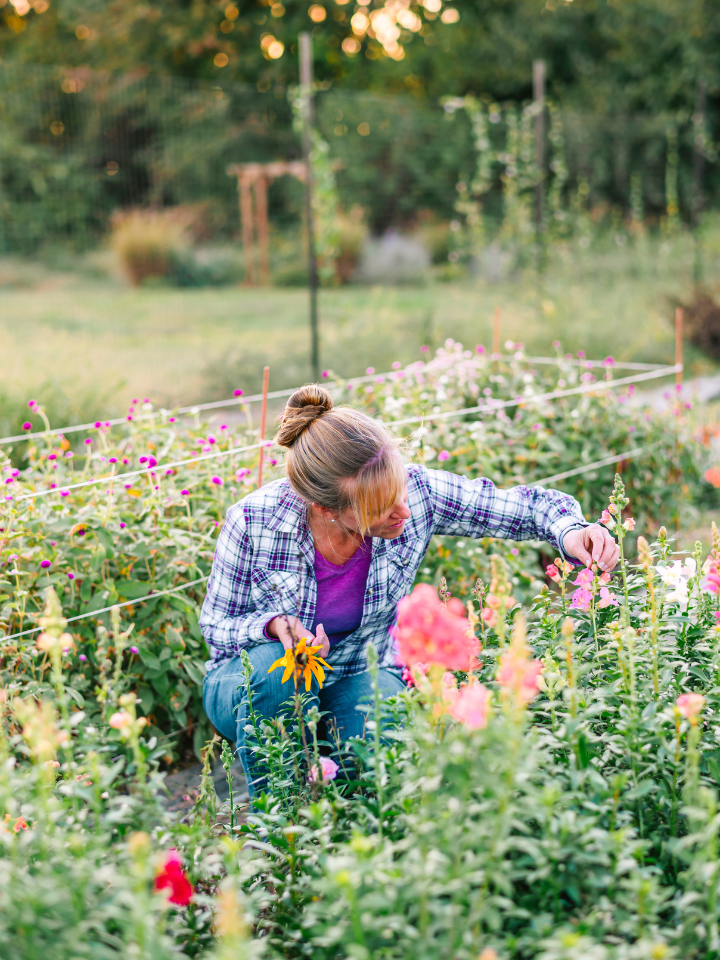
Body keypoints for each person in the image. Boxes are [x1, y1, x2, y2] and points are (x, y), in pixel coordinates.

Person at [200, 384, 619, 796]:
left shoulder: (417, 493)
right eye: (380, 508)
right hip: (248, 682)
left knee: (382, 764)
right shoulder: (255, 521)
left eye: (399, 490)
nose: (404, 510)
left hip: (357, 669)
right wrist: (274, 626)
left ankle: (337, 782)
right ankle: (278, 824)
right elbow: (216, 625)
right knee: (276, 673)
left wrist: (571, 532)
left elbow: (524, 506)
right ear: (327, 509)